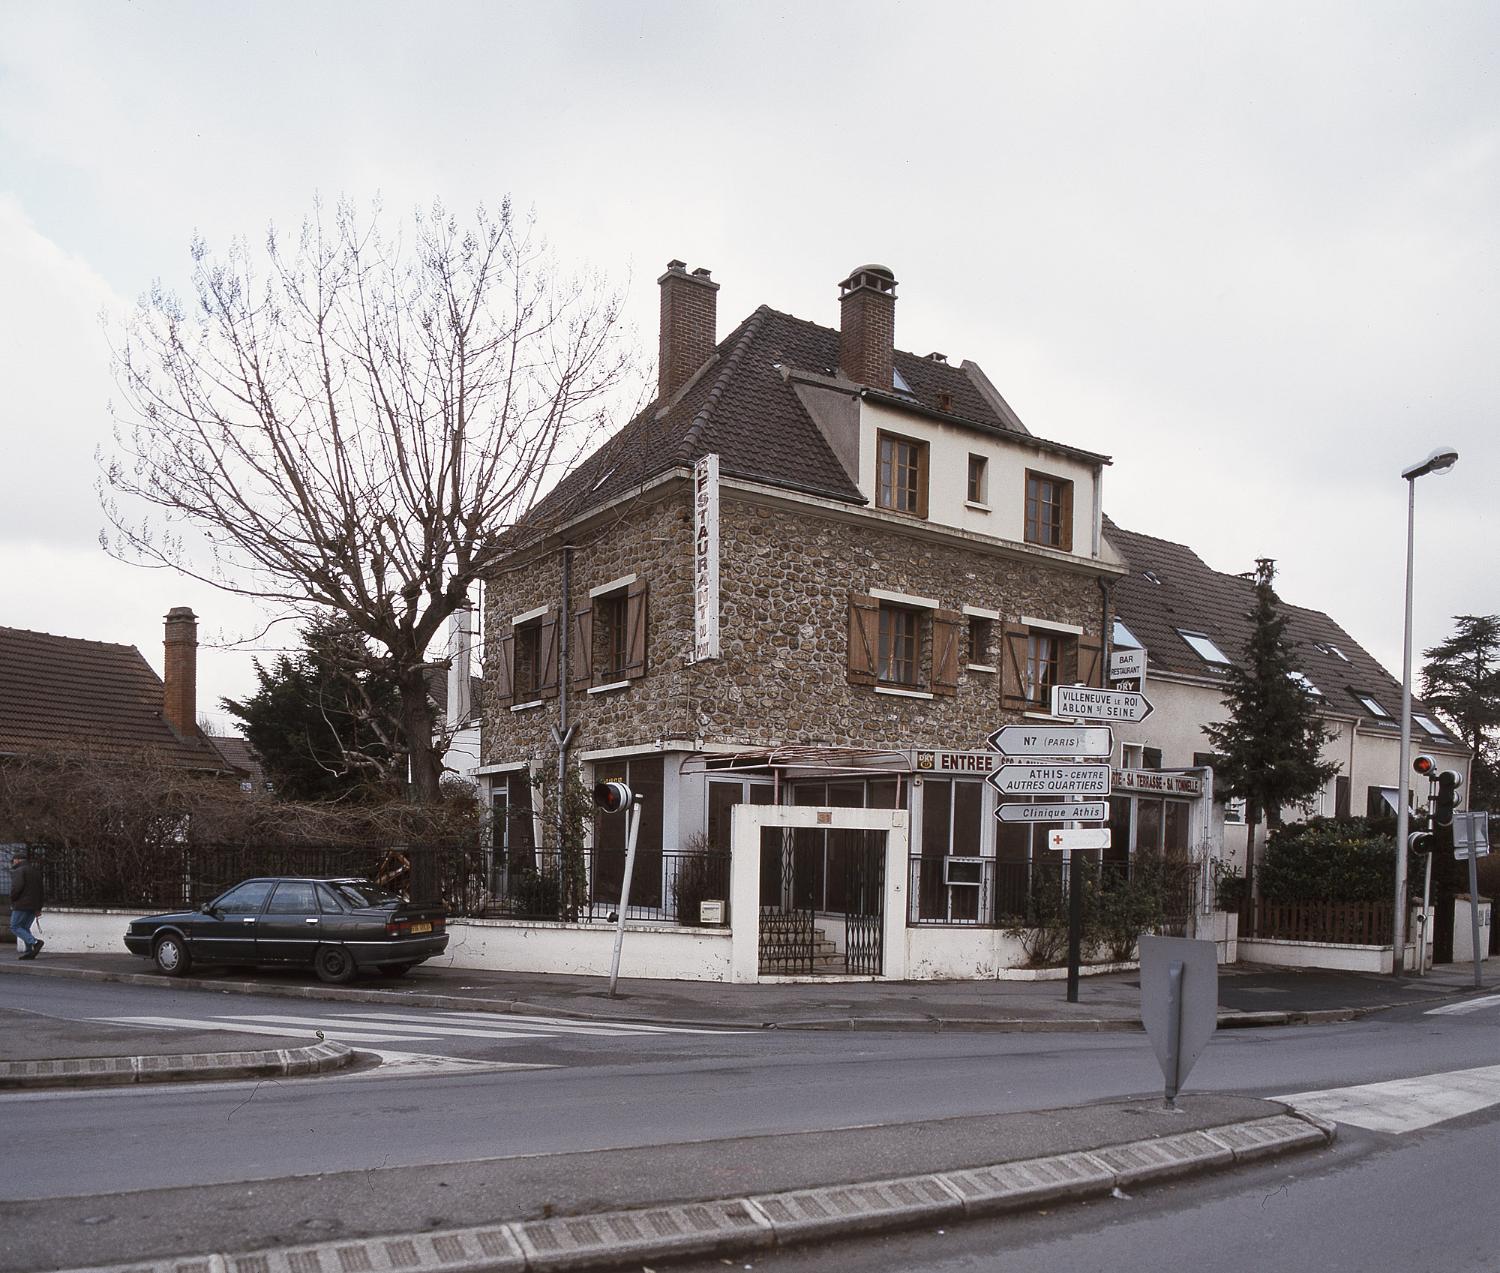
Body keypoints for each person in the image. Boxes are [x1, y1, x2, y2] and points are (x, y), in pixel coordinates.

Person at [9, 850, 44, 959]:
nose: (13, 862)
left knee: (14, 926)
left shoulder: (19, 871)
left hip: (22, 904)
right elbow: (41, 890)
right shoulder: (35, 871)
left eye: (13, 860)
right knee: (24, 927)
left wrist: (13, 900)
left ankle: (35, 942)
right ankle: (29, 952)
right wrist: (39, 907)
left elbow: (17, 888)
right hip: (34, 905)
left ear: (18, 860)